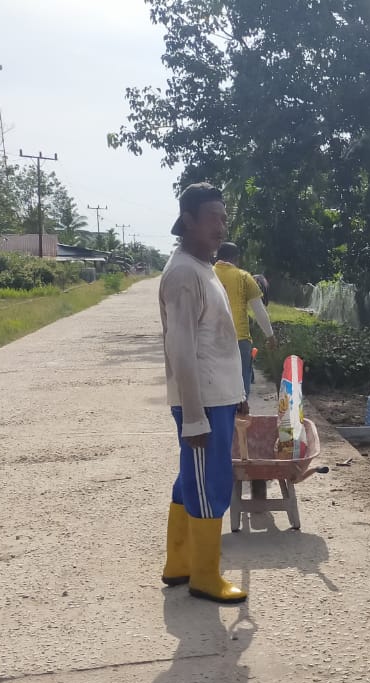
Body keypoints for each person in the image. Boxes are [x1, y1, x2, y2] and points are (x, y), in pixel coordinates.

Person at [158, 183, 247, 604]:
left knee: (191, 480)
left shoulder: (202, 268)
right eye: (213, 217)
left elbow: (218, 341)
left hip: (219, 397)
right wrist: (194, 416)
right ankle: (205, 576)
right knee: (208, 483)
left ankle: (179, 563)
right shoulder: (181, 275)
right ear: (188, 220)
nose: (221, 225)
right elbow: (182, 350)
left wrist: (238, 391)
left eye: (223, 218)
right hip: (203, 404)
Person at [214, 242, 275, 410]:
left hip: (210, 341)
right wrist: (270, 336)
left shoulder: (206, 275)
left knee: (214, 391)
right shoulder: (243, 277)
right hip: (239, 340)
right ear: (236, 259)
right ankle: (238, 425)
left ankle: (221, 427)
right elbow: (259, 311)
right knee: (240, 393)